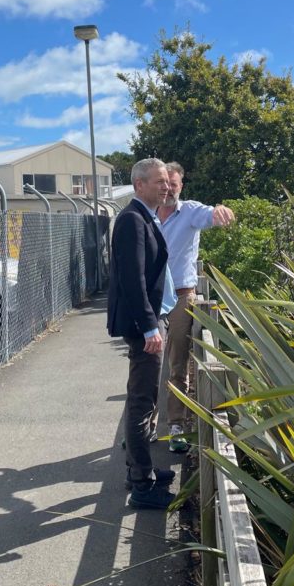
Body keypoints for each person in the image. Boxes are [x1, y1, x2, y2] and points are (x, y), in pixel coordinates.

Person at [107, 158, 177, 509]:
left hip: (150, 319)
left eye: (168, 181)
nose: (166, 186)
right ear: (139, 185)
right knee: (141, 401)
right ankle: (142, 485)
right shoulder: (132, 220)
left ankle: (140, 468)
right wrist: (150, 326)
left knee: (143, 397)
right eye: (159, 181)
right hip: (143, 325)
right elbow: (132, 280)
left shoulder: (144, 217)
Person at [156, 162, 235, 453]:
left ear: (181, 186)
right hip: (151, 298)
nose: (168, 189)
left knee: (177, 364)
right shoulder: (147, 213)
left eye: (173, 184)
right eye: (164, 184)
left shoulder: (189, 211)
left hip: (180, 297)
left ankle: (176, 425)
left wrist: (221, 210)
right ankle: (144, 426)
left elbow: (211, 214)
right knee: (147, 364)